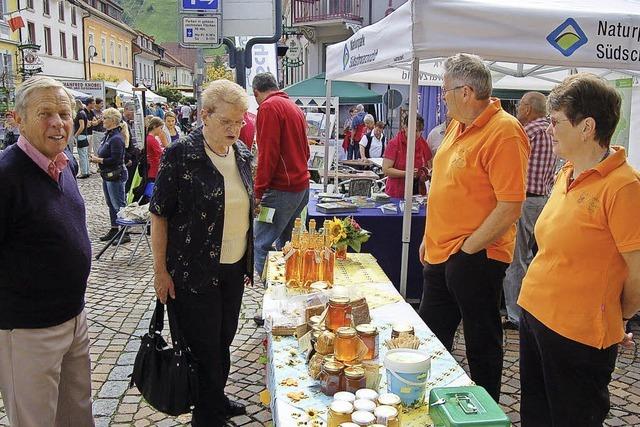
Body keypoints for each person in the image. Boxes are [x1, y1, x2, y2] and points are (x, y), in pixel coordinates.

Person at [517, 73, 640, 426]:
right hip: (536, 314)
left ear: (586, 127)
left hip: (578, 333)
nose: (550, 129)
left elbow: (637, 269)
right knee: (536, 415)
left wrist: (618, 317)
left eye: (556, 122)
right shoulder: (566, 173)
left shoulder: (624, 186)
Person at [418, 53, 530, 401]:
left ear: (466, 92)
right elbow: (443, 185)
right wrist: (428, 236)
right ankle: (433, 400)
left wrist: (467, 249)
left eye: (445, 88)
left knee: (481, 338)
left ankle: (486, 407)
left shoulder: (504, 131)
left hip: (476, 255)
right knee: (431, 335)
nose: (442, 95)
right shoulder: (457, 125)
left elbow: (510, 205)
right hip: (441, 251)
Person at [150, 79, 254, 426]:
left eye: (239, 121)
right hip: (194, 271)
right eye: (227, 121)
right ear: (204, 115)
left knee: (224, 339)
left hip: (233, 266)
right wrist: (160, 272)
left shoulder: (241, 155)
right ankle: (207, 418)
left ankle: (216, 397)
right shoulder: (180, 155)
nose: (235, 129)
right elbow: (159, 214)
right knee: (205, 347)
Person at [0, 75, 94, 426]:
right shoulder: (6, 176)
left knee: (77, 416)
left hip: (73, 319)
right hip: (27, 331)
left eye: (64, 113)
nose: (58, 123)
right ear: (18, 120)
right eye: (45, 113)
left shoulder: (62, 164)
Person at [502, 92, 557, 330]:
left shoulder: (527, 132)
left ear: (528, 109)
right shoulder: (551, 129)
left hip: (525, 201)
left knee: (515, 259)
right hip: (543, 199)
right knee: (531, 258)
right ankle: (531, 307)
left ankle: (515, 314)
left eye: (520, 105)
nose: (517, 109)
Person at [252, 72, 310, 278]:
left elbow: (268, 155)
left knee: (260, 245)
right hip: (300, 186)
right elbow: (307, 151)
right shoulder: (294, 107)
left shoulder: (268, 107)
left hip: (282, 188)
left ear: (255, 92)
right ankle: (291, 291)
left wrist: (258, 192)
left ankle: (275, 299)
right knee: (287, 244)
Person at [91, 108, 130, 244]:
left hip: (115, 174)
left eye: (105, 118)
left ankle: (125, 232)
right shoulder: (109, 135)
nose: (103, 120)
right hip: (107, 174)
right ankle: (114, 228)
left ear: (112, 120)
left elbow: (117, 159)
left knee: (118, 204)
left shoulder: (116, 138)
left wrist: (99, 160)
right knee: (110, 204)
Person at [382, 114, 432, 198]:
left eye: (420, 131)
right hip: (396, 192)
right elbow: (386, 170)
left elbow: (430, 165)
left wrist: (426, 173)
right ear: (405, 127)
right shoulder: (394, 144)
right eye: (414, 130)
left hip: (418, 192)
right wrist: (407, 173)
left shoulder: (423, 143)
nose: (417, 134)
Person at [123, 101, 141, 193]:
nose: (134, 113)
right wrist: (127, 157)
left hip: (135, 155)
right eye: (132, 111)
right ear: (126, 110)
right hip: (127, 156)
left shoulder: (134, 121)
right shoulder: (122, 122)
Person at [73, 98, 91, 178]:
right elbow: (87, 125)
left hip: (81, 136)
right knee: (85, 154)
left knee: (82, 155)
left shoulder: (79, 114)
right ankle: (87, 171)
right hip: (85, 135)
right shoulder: (83, 113)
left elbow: (82, 126)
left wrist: (75, 135)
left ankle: (84, 172)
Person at [145, 116, 165, 182]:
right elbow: (161, 154)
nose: (161, 130)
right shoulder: (152, 140)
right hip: (153, 170)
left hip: (150, 169)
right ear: (154, 127)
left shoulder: (148, 138)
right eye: (160, 128)